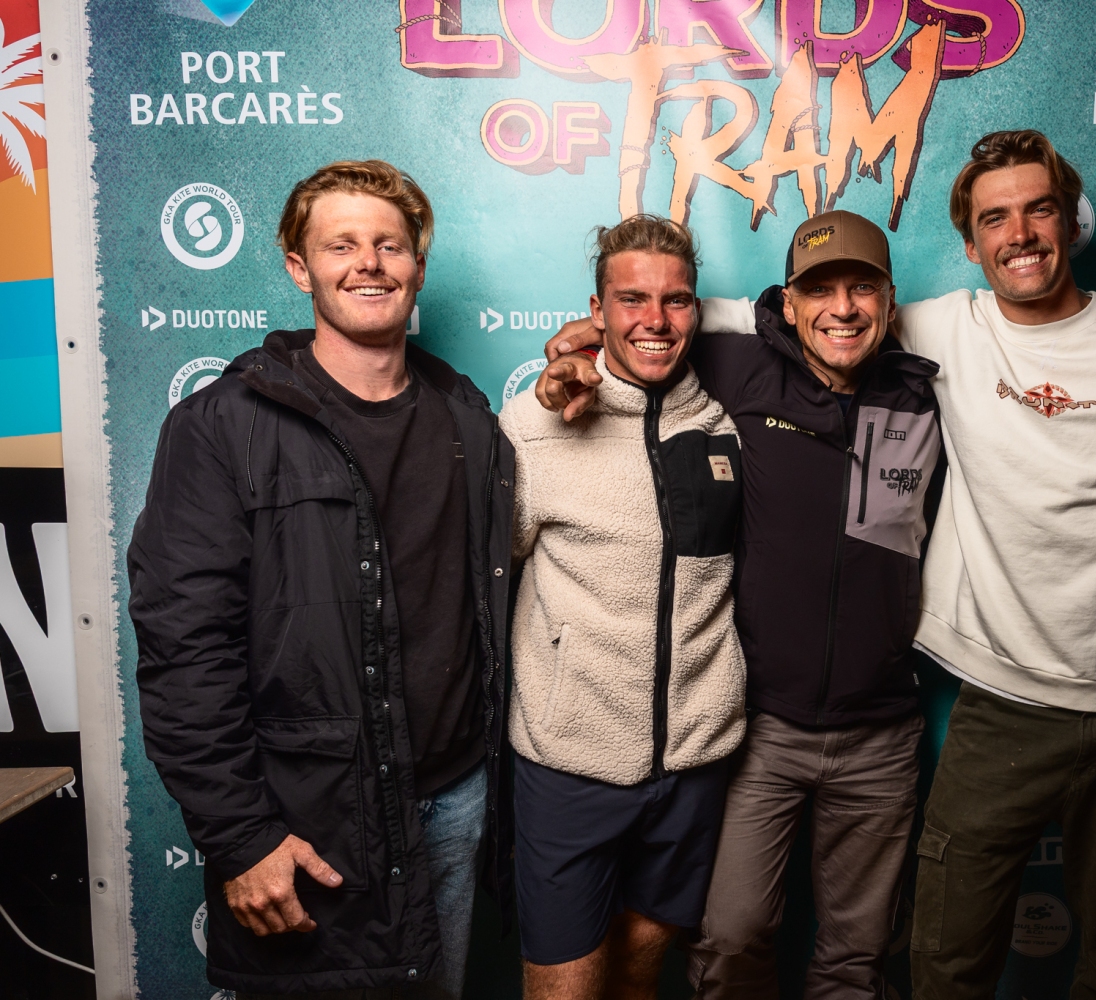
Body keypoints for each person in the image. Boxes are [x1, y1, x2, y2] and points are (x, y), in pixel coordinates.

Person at [543, 130, 1096, 1000]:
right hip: (955, 703)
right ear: (968, 244)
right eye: (995, 218)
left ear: (1069, 223)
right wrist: (596, 341)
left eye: (1039, 210)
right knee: (865, 950)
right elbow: (718, 315)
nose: (1019, 233)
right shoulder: (930, 331)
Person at [129, 161, 514, 997]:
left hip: (455, 802)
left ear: (418, 267)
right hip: (309, 821)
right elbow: (184, 649)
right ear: (300, 269)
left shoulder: (469, 420)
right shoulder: (221, 426)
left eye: (389, 245)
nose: (368, 262)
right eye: (341, 245)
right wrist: (240, 836)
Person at [539, 209, 943, 997]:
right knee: (730, 938)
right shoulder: (736, 367)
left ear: (890, 302)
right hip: (761, 729)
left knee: (857, 956)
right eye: (819, 290)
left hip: (883, 731)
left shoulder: (922, 394)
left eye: (863, 288)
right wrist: (574, 349)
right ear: (787, 304)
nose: (843, 308)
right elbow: (644, 335)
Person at [501, 214, 746, 1000]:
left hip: (695, 760)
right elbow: (485, 576)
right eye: (632, 299)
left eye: (676, 300)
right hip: (570, 763)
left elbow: (804, 319)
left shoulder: (722, 422)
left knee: (643, 973)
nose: (656, 320)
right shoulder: (535, 425)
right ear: (596, 309)